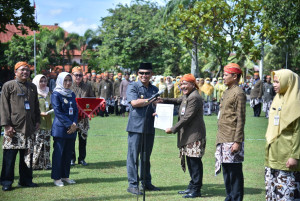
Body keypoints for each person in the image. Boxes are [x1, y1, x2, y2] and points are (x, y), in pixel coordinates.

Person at [164, 74, 206, 198]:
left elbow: (187, 117)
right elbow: (177, 100)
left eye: (185, 83)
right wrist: (162, 100)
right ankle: (192, 186)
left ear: (193, 84)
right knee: (190, 161)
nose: (182, 86)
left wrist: (173, 129)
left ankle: (196, 189)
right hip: (188, 136)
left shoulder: (194, 97)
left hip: (194, 136)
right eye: (181, 84)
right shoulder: (187, 96)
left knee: (195, 162)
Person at [0, 61, 40, 191]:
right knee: (9, 158)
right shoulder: (8, 86)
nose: (25, 72)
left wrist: (37, 120)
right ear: (15, 72)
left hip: (29, 127)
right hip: (13, 128)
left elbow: (36, 106)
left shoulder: (33, 87)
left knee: (27, 157)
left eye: (27, 70)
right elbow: (4, 106)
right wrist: (6, 125)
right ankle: (6, 182)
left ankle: (26, 180)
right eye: (22, 70)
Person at [265, 69, 300, 200]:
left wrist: (294, 156)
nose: (274, 85)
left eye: (277, 82)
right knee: (272, 193)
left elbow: (298, 132)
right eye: (273, 82)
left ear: (288, 82)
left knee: (286, 194)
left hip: (287, 158)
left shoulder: (296, 103)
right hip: (272, 154)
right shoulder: (277, 99)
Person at [126, 63, 160, 195]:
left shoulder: (154, 88)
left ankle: (146, 182)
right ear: (137, 74)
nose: (144, 75)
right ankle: (133, 185)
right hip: (135, 127)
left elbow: (157, 105)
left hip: (150, 126)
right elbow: (134, 102)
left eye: (147, 73)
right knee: (133, 157)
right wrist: (152, 101)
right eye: (141, 73)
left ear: (151, 74)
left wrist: (159, 109)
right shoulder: (133, 86)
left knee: (146, 157)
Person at [215, 63, 246, 201]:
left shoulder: (238, 92)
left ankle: (236, 198)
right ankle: (229, 196)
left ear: (235, 76)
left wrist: (237, 141)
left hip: (232, 138)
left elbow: (240, 118)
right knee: (226, 170)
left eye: (226, 75)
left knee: (234, 172)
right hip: (223, 136)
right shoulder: (227, 91)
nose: (223, 77)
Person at [51, 72, 78, 187]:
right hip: (61, 129)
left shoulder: (71, 94)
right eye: (65, 80)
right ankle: (57, 178)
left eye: (69, 80)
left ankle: (65, 176)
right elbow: (58, 112)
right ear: (60, 81)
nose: (68, 83)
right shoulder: (56, 94)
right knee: (59, 154)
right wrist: (69, 125)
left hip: (72, 128)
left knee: (68, 154)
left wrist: (75, 123)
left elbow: (76, 110)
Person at [71, 66, 95, 166]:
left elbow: (92, 98)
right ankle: (71, 159)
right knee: (71, 139)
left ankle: (81, 159)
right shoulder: (68, 86)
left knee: (83, 139)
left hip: (83, 118)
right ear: (72, 75)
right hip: (72, 118)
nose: (78, 77)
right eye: (76, 75)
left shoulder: (87, 86)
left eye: (80, 75)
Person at [32, 74, 52, 170]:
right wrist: (40, 113)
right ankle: (35, 165)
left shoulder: (48, 93)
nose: (43, 83)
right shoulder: (34, 93)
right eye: (41, 81)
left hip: (48, 123)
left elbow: (51, 106)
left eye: (45, 81)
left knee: (47, 145)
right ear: (36, 82)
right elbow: (31, 109)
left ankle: (46, 164)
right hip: (38, 123)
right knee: (37, 145)